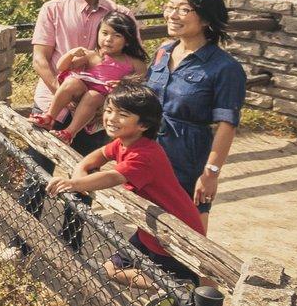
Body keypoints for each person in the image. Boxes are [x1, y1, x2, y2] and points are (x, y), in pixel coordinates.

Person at [46, 82, 205, 289]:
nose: (111, 118)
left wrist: (73, 183)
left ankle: (175, 287)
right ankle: (171, 287)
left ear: (143, 125)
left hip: (173, 234)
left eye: (122, 114)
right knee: (111, 269)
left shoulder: (145, 155)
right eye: (109, 110)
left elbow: (113, 177)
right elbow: (99, 155)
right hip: (149, 230)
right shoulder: (125, 142)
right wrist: (81, 168)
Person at [147, 0, 246, 212]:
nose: (172, 15)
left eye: (183, 9)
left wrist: (210, 174)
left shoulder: (225, 68)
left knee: (188, 228)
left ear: (206, 18)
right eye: (170, 6)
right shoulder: (163, 52)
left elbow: (226, 126)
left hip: (187, 161)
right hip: (149, 154)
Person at [30, 0, 135, 131]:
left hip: (97, 112)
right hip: (51, 105)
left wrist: (118, 93)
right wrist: (63, 94)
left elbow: (134, 63)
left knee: (84, 161)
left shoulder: (122, 15)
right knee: (35, 161)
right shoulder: (53, 9)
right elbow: (39, 59)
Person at [29, 11, 149, 143]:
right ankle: (49, 117)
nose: (109, 39)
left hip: (103, 101)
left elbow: (142, 86)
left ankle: (69, 132)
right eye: (104, 33)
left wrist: (123, 86)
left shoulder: (134, 63)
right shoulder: (93, 55)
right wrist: (70, 54)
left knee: (93, 95)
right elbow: (62, 67)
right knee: (71, 82)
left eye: (117, 35)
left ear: (127, 41)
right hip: (81, 94)